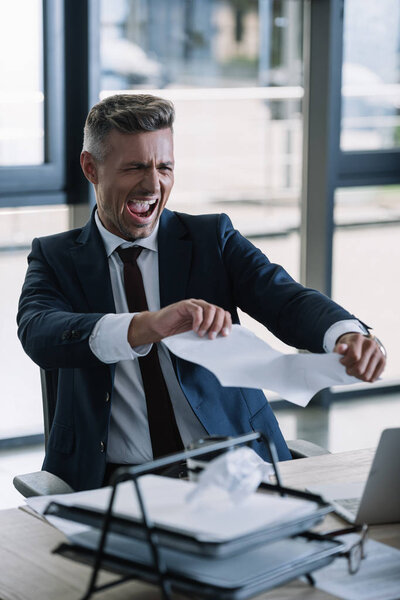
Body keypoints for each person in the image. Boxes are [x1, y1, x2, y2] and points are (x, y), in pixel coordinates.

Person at [17, 94, 386, 492]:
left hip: (237, 472)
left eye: (165, 167)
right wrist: (143, 326)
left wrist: (345, 334)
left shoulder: (212, 238)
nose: (152, 184)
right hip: (116, 485)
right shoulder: (54, 256)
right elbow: (40, 331)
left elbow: (286, 298)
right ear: (91, 168)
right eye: (136, 167)